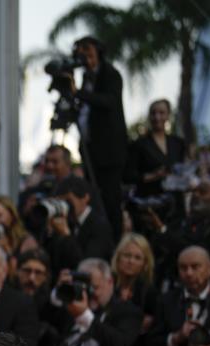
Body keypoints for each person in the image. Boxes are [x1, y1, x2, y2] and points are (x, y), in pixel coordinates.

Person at [71, 36, 128, 240]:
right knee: (94, 197)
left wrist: (78, 93)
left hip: (109, 153)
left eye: (88, 50)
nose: (84, 56)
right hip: (90, 152)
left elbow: (108, 101)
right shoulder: (86, 78)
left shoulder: (110, 75)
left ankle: (114, 240)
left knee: (110, 200)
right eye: (80, 52)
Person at [125, 99, 187, 198]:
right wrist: (154, 176)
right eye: (153, 113)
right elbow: (128, 176)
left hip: (175, 201)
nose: (157, 117)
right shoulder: (139, 144)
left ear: (168, 116)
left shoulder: (178, 143)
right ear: (149, 116)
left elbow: (183, 169)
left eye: (161, 113)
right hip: (150, 201)